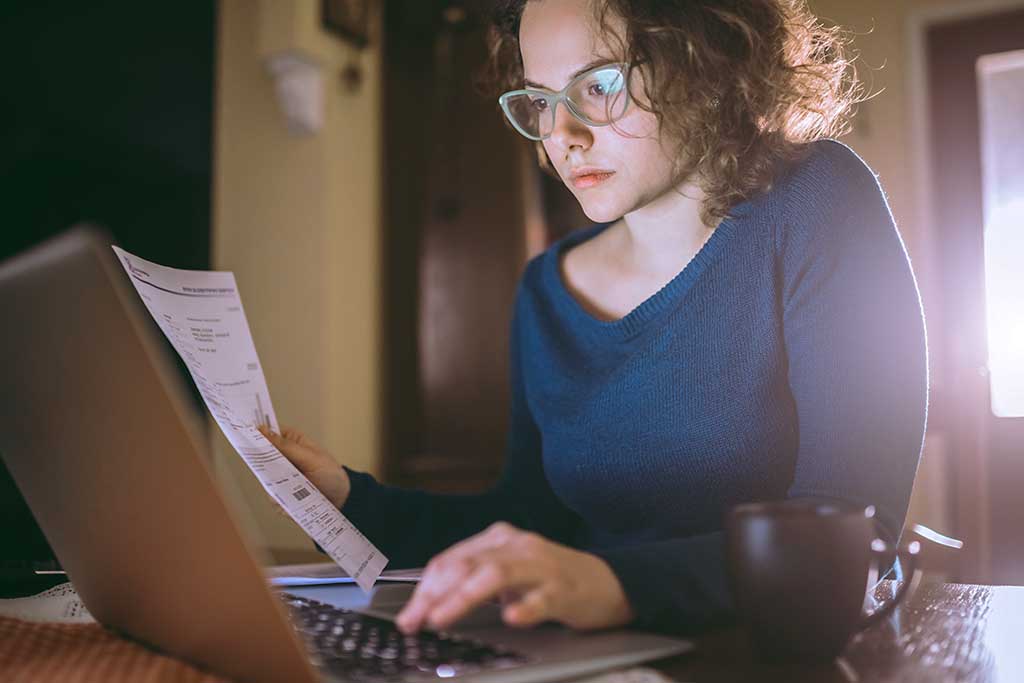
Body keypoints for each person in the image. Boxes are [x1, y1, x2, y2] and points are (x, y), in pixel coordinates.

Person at [260, 0, 927, 637]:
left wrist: (616, 584)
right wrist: (347, 497)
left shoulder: (819, 201)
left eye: (599, 85)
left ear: (704, 59)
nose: (561, 136)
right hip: (594, 652)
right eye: (541, 102)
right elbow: (528, 524)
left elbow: (850, 526)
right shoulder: (546, 291)